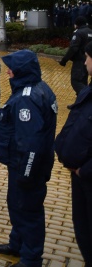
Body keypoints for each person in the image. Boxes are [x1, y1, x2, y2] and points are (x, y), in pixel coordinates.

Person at [0, 49, 57, 267]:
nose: (8, 71)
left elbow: (31, 143)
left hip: (28, 166)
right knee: (17, 207)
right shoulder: (36, 89)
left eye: (12, 68)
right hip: (23, 164)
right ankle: (17, 244)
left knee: (28, 212)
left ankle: (30, 259)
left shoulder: (27, 99)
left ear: (21, 70)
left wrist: (26, 173)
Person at [55, 41, 92, 265]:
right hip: (80, 176)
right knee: (84, 232)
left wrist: (85, 170)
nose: (85, 61)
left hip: (86, 175)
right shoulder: (88, 91)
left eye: (88, 57)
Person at [60, 16, 92, 98]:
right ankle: (80, 102)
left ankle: (87, 97)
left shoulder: (78, 32)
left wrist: (64, 60)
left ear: (77, 24)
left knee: (76, 81)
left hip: (79, 61)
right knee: (83, 81)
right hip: (88, 60)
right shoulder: (90, 31)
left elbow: (73, 48)